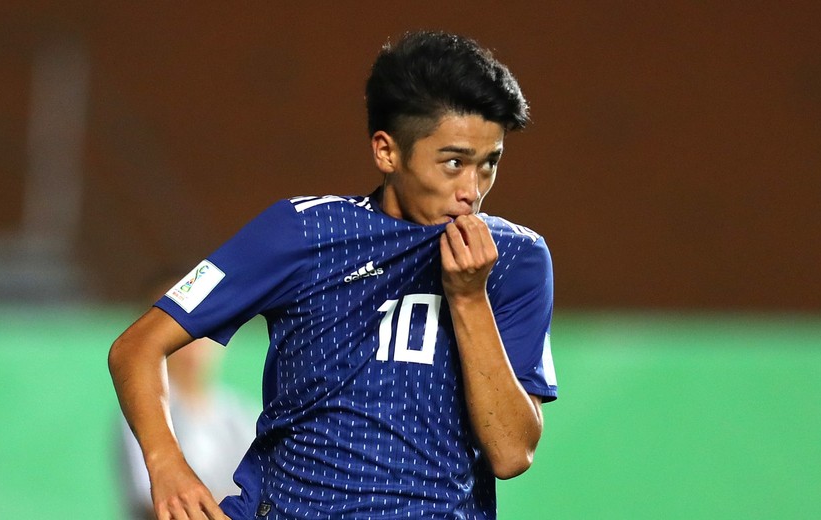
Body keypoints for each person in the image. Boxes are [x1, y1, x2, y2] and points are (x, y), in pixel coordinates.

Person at [108, 30, 557, 520]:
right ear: (387, 151)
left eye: (489, 164)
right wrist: (167, 466)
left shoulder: (516, 260)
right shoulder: (300, 231)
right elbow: (136, 347)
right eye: (454, 163)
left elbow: (512, 453)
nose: (472, 190)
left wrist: (469, 298)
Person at [116, 278, 256, 519]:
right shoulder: (142, 414)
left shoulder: (240, 414)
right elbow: (156, 504)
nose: (192, 341)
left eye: (204, 325)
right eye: (177, 327)